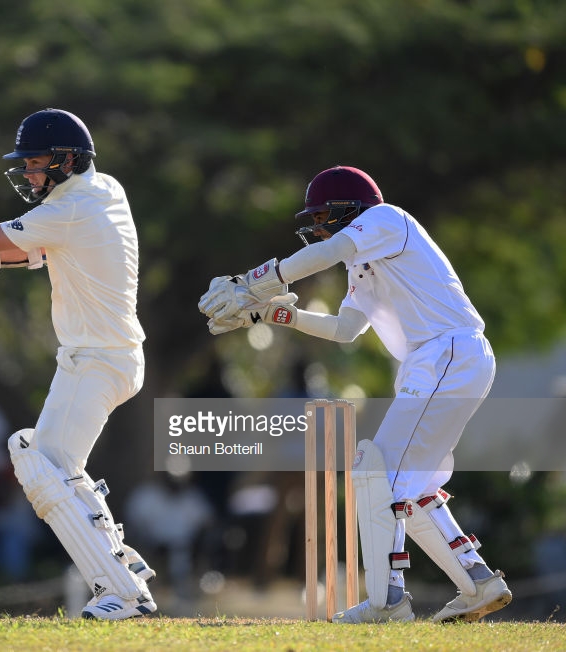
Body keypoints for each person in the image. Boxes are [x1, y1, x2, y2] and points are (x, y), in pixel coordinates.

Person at [198, 166, 511, 623]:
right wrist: (274, 314)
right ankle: (477, 582)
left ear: (351, 210)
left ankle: (387, 602)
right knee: (417, 486)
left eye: (322, 216)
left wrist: (252, 282)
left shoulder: (387, 219)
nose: (318, 227)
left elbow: (329, 251)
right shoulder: (363, 262)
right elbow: (346, 329)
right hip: (442, 360)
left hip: (446, 353)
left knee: (377, 471)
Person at [0, 108, 156, 620]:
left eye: (36, 163)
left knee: (42, 468)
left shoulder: (71, 207)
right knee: (37, 453)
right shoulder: (102, 190)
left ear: (67, 160)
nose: (29, 174)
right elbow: (38, 250)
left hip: (96, 360)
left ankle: (122, 593)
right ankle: (123, 567)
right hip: (104, 357)